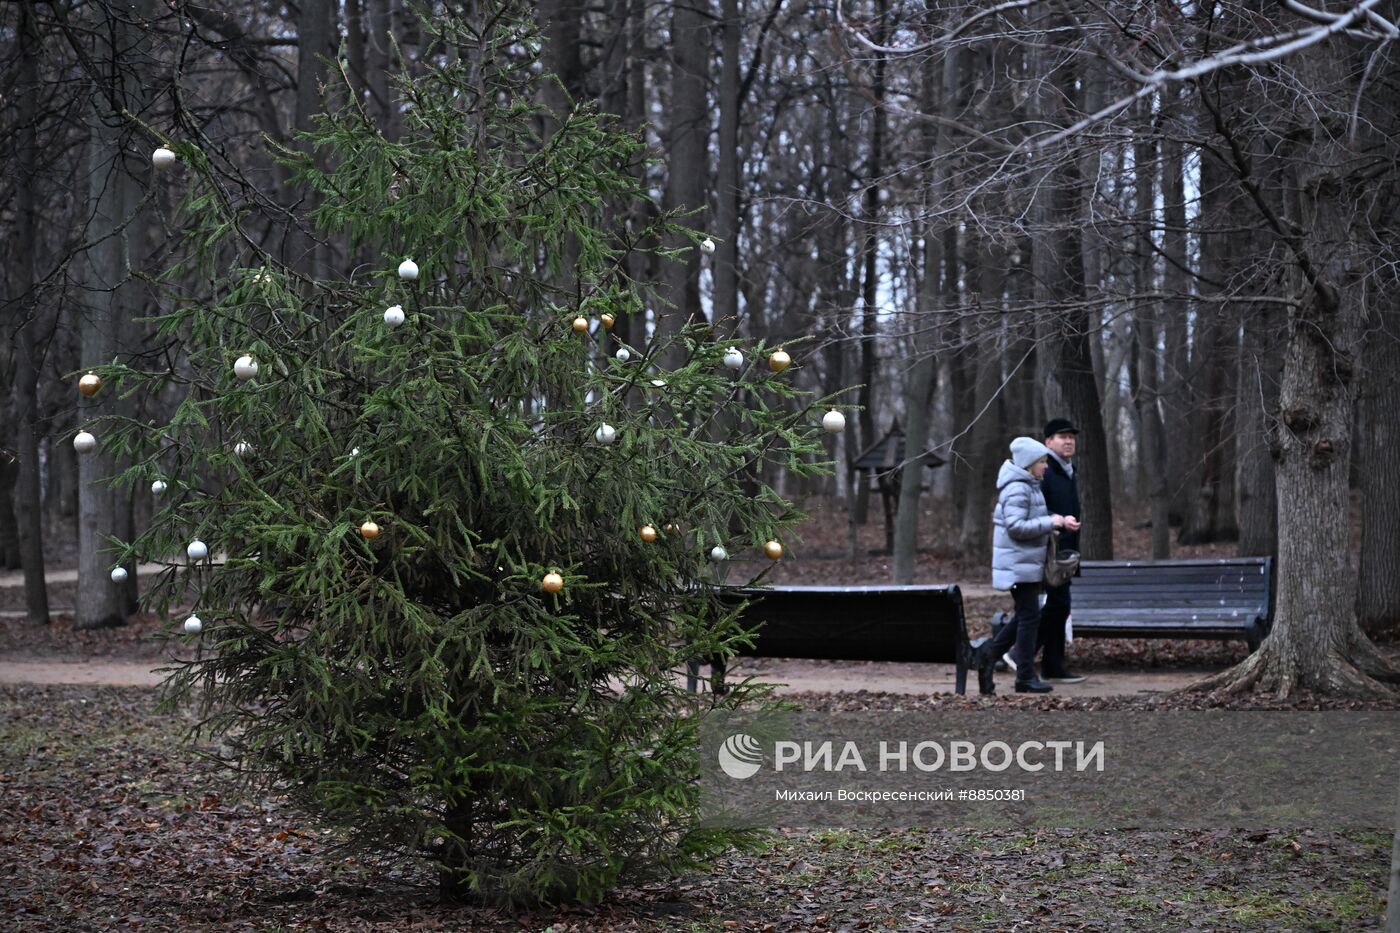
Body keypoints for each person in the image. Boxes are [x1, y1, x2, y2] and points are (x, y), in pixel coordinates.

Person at [978, 437, 1081, 694]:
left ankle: (988, 656)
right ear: (1029, 464)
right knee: (1029, 616)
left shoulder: (1030, 486)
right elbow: (1016, 527)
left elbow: (1030, 520)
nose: (1046, 466)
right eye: (1042, 462)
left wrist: (1058, 520)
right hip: (1018, 566)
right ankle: (1022, 675)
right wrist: (1051, 523)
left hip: (1025, 565)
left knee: (1027, 615)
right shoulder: (1017, 488)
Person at [1038, 417, 1086, 684]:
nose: (1068, 441)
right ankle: (1011, 650)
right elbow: (1033, 508)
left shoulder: (1068, 470)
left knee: (1060, 606)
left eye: (1071, 437)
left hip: (1065, 552)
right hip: (1047, 551)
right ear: (1048, 442)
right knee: (1057, 605)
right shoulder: (1044, 469)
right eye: (1061, 436)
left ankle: (1053, 665)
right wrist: (1058, 519)